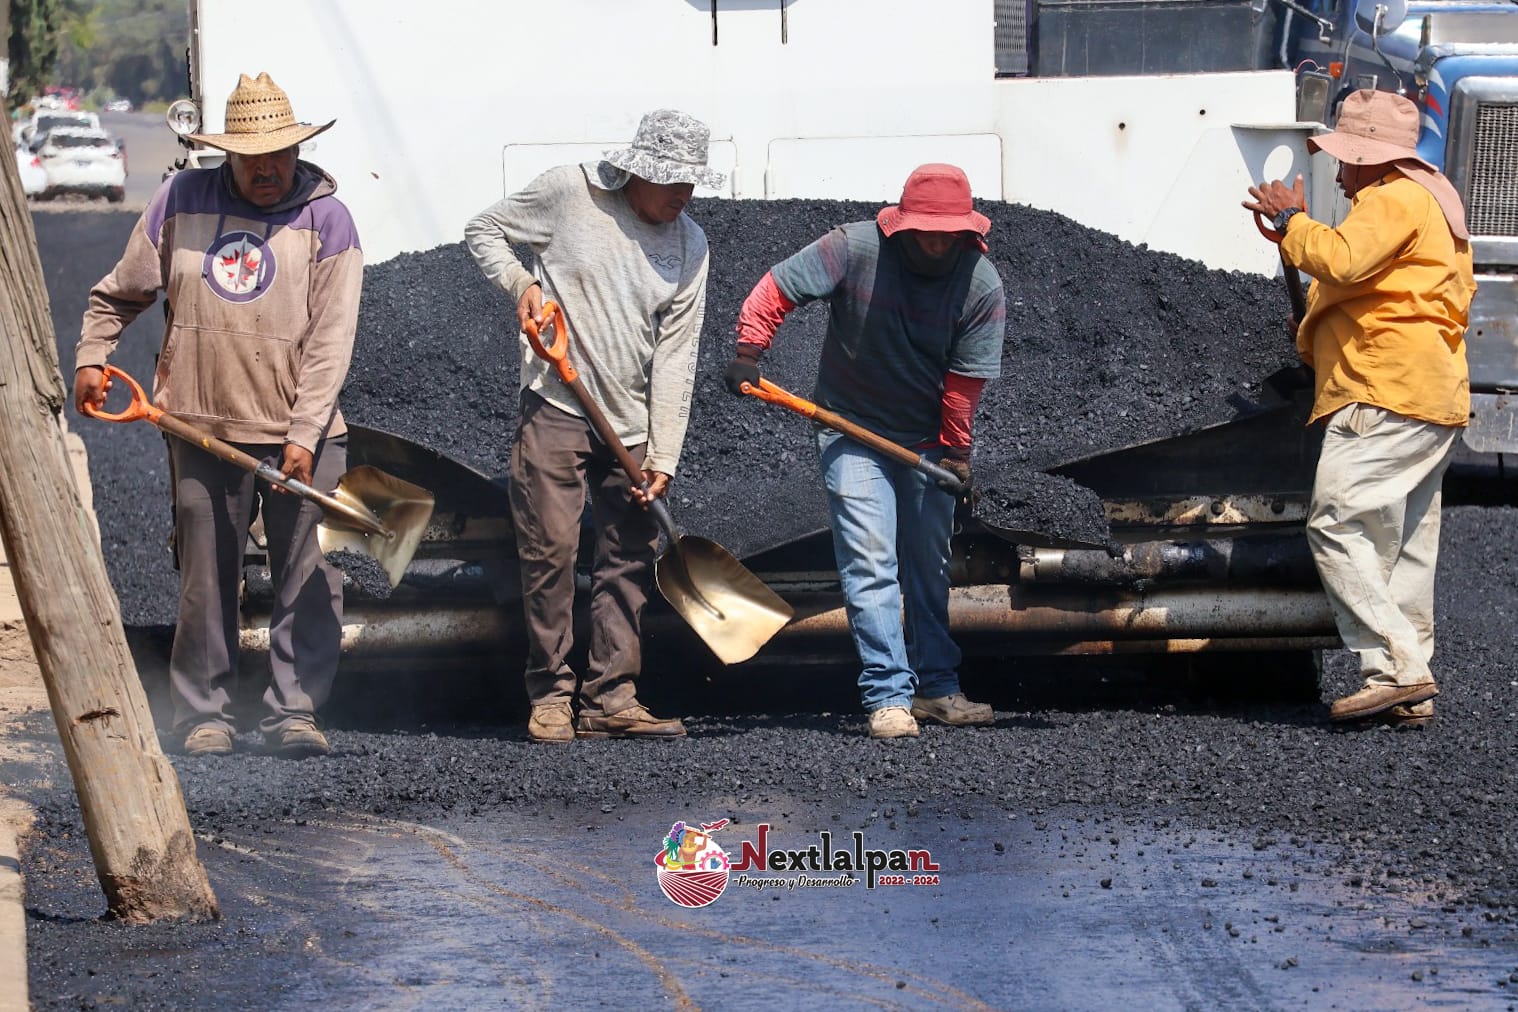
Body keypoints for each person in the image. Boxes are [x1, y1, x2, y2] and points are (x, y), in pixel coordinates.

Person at [73, 72, 363, 758]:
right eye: (252, 156)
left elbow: (332, 339)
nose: (268, 169)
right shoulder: (180, 200)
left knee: (308, 576)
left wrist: (303, 434)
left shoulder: (328, 219)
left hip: (306, 429)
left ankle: (294, 711)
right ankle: (204, 713)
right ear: (226, 153)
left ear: (298, 150)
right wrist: (92, 353)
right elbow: (121, 292)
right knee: (205, 577)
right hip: (198, 423)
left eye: (279, 154)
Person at [724, 163, 1007, 739]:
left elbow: (962, 385)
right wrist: (750, 351)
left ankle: (937, 689)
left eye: (946, 230)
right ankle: (887, 698)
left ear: (967, 230)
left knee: (929, 567)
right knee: (871, 561)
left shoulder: (981, 286)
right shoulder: (852, 248)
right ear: (901, 223)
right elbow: (776, 288)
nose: (933, 239)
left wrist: (956, 454)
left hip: (929, 441)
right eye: (924, 227)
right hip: (850, 429)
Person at [464, 109, 720, 742]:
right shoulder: (569, 194)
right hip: (558, 403)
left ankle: (613, 697)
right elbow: (484, 229)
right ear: (637, 171)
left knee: (628, 557)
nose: (683, 197)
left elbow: (677, 354)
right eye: (672, 183)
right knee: (550, 550)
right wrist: (522, 283)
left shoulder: (691, 245)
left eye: (692, 185)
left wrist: (664, 456)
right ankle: (551, 693)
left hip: (630, 423)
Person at [1243, 89, 1476, 727]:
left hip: (1385, 391)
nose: (1339, 173)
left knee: (1336, 522)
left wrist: (1294, 223)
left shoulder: (1393, 197)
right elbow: (1375, 289)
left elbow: (1341, 259)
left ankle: (1403, 666)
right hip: (1431, 391)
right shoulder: (1431, 201)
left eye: (1345, 159)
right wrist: (1317, 321)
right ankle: (1401, 685)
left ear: (1369, 157)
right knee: (1400, 545)